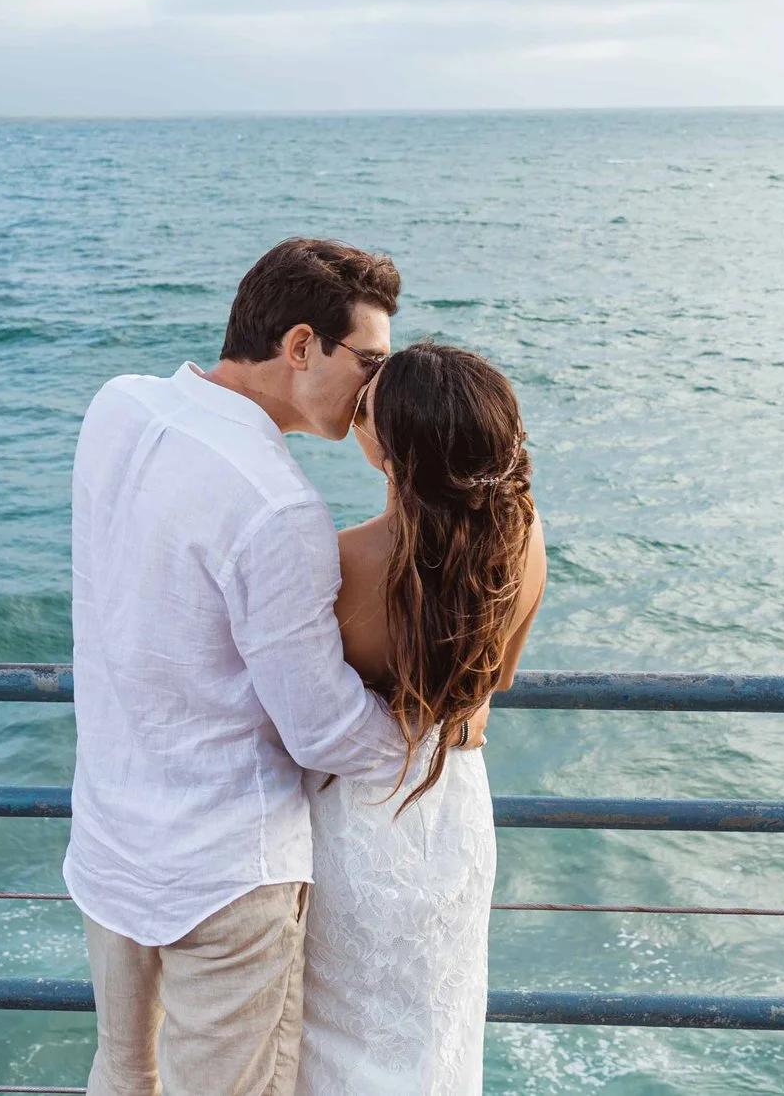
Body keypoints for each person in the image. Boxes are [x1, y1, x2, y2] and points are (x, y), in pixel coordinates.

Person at [67, 238, 413, 1096]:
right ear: (301, 346)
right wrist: (420, 744)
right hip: (225, 872)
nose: (377, 391)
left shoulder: (119, 406)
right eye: (368, 362)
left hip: (110, 841)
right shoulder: (280, 505)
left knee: (120, 1070)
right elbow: (323, 725)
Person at [298, 342, 548, 1096]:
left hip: (359, 818)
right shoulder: (524, 537)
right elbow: (493, 681)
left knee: (335, 1038)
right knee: (437, 1038)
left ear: (387, 448)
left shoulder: (337, 562)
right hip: (455, 807)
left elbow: (294, 708)